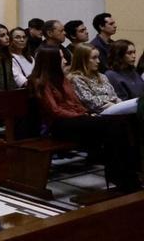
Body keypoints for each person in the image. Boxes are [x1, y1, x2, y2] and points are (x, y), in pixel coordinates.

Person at [31, 47, 140, 192]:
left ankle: (124, 173)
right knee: (114, 125)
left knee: (121, 124)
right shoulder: (40, 82)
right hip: (59, 126)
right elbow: (55, 111)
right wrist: (81, 115)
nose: (65, 61)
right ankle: (119, 174)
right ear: (51, 61)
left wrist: (85, 113)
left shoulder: (62, 79)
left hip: (75, 120)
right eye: (61, 58)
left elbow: (75, 102)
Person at [67, 43, 124, 114]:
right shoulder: (76, 79)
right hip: (94, 117)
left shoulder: (102, 76)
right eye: (94, 58)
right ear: (83, 60)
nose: (98, 61)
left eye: (98, 57)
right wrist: (113, 102)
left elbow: (114, 96)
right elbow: (91, 102)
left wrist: (116, 104)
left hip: (112, 110)